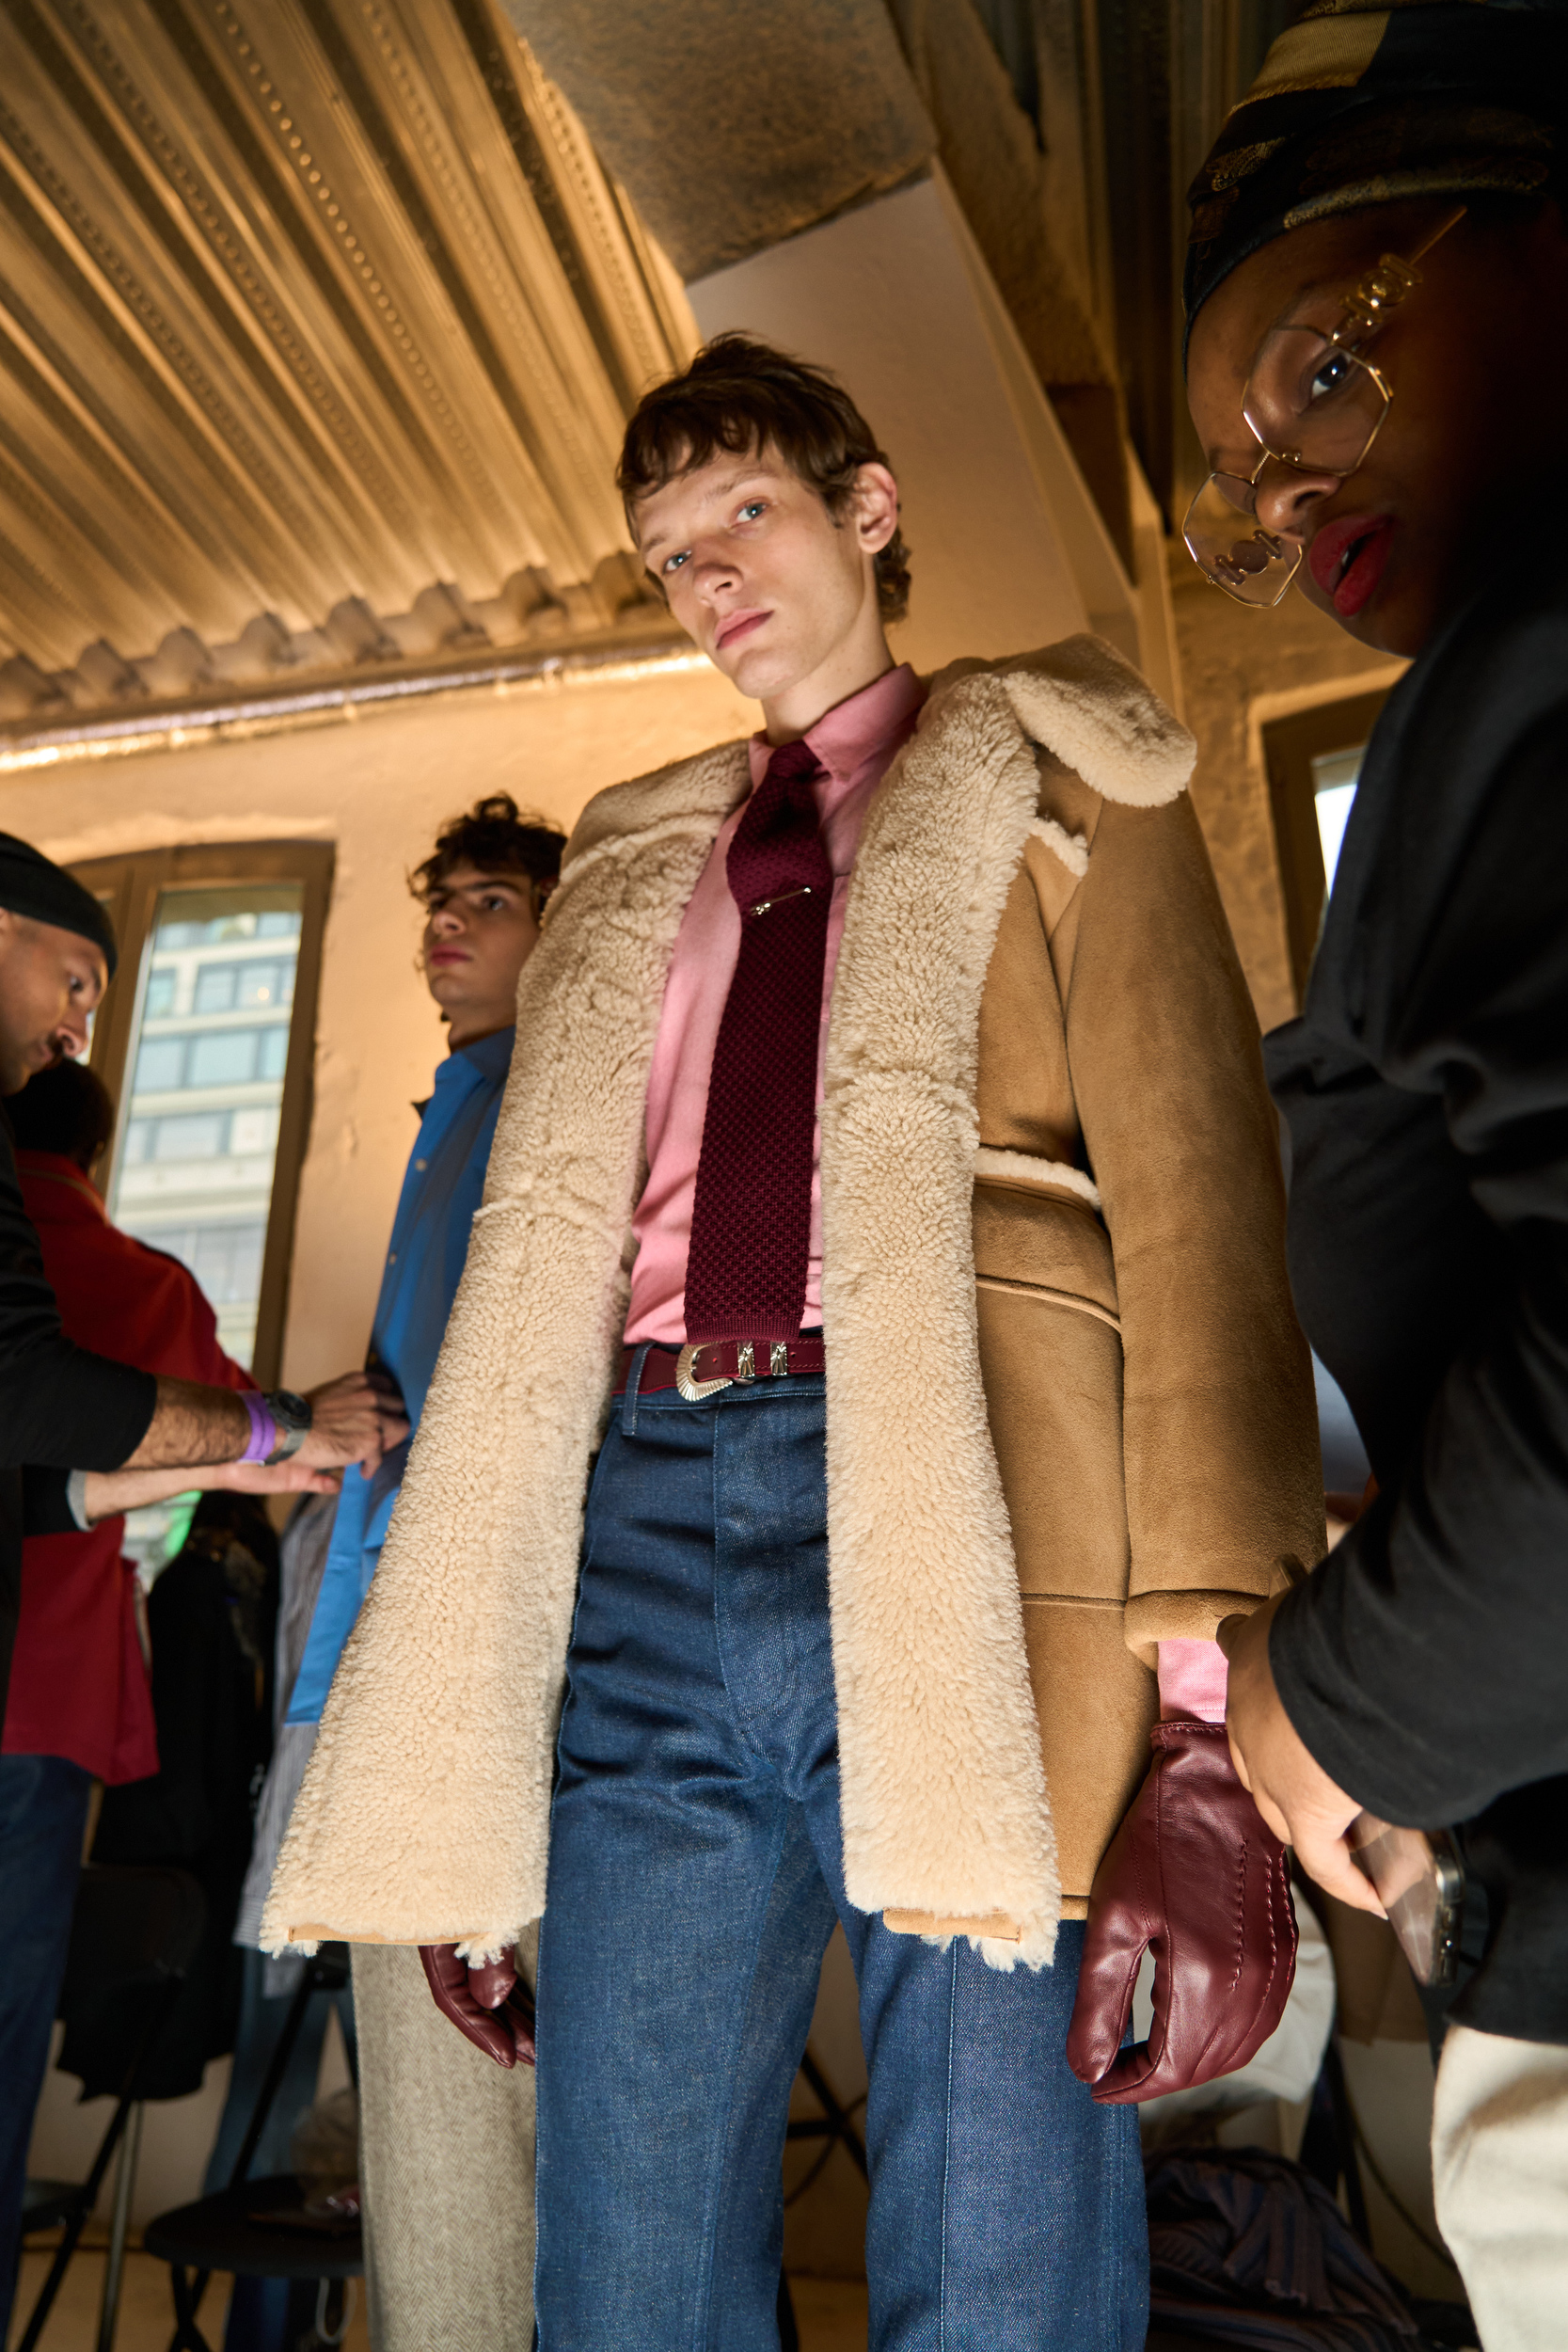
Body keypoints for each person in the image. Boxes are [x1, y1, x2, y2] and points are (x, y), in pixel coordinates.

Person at [267, 339, 1322, 2347]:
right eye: (665, 556)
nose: (707, 576)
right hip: (644, 1511)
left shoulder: (1066, 774)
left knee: (1001, 2240)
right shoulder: (633, 855)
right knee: (624, 2256)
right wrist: (462, 1790)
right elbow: (521, 1311)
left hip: (968, 1513)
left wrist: (1199, 1709)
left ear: (866, 506)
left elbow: (1196, 1221)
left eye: (742, 511)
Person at [1180, 4, 1568, 2342]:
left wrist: (1340, 1700)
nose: (1282, 499)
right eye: (1239, 485)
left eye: (1320, 368)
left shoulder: (1528, 669)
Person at [251, 797, 560, 2352]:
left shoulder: (550, 1101)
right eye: (439, 902)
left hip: (489, 1659)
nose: (446, 928)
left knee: (508, 2132)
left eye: (487, 901)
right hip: (401, 1648)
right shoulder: (456, 1106)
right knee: (434, 2142)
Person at [0, 1048, 363, 2328]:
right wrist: (290, 1425)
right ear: (94, 1154)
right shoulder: (143, 1282)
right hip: (41, 1698)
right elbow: (218, 1444)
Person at [0, 832, 405, 1732]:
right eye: (75, 984)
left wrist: (243, 1452)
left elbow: (35, 1494)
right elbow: (21, 1387)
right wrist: (279, 1423)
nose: (75, 1034)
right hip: (60, 1697)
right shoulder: (151, 1284)